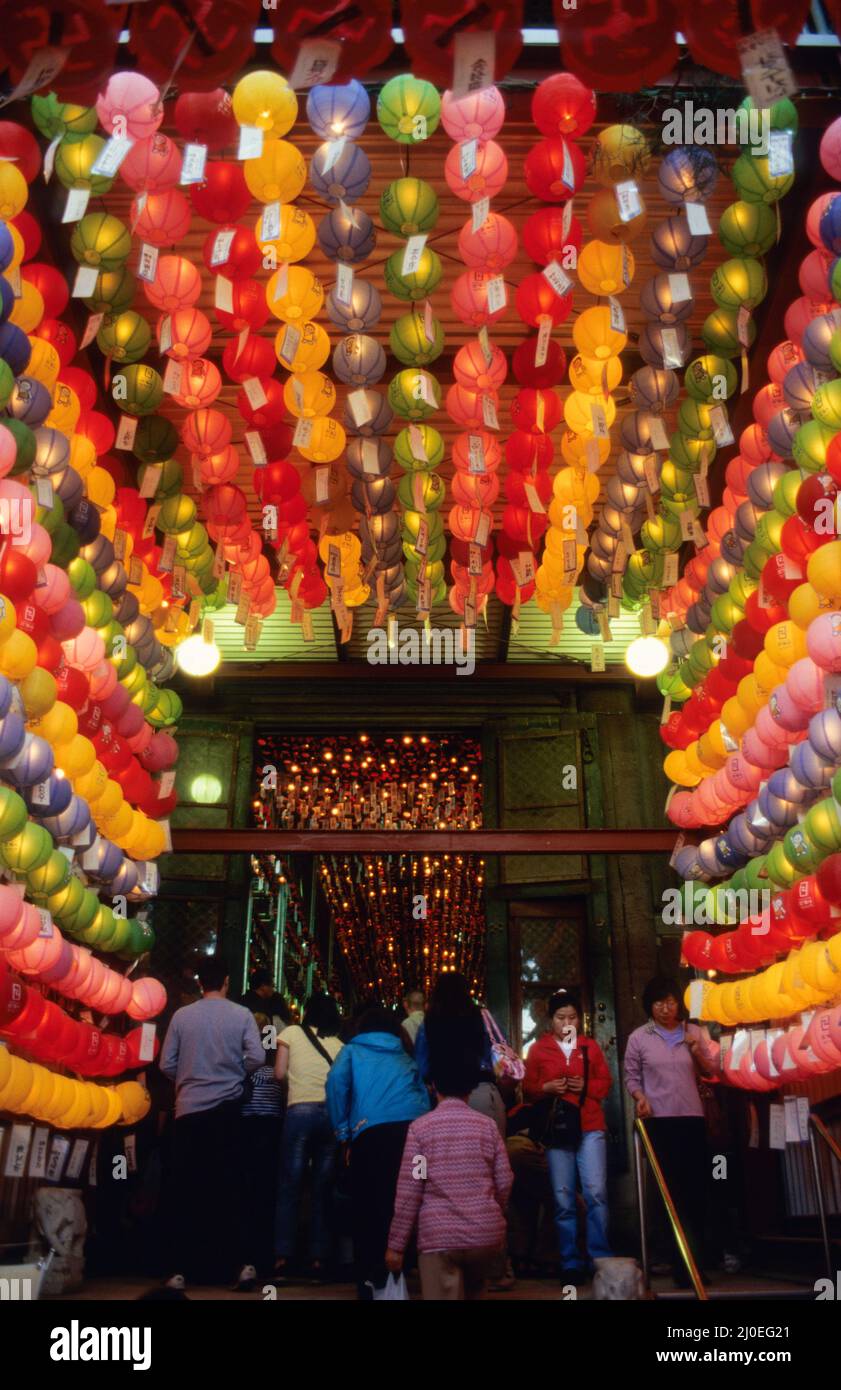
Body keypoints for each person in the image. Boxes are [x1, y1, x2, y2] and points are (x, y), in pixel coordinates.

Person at [159, 953, 264, 1290]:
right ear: (228, 982)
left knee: (186, 1190)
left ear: (199, 982)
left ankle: (179, 1271)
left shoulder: (182, 1016)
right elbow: (259, 1056)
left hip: (188, 1113)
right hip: (227, 1113)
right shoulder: (242, 1014)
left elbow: (166, 1064)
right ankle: (239, 1266)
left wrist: (189, 1078)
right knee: (230, 1188)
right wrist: (233, 1072)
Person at [385, 1040, 514, 1301]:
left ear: (433, 1087)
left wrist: (396, 1246)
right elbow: (504, 1180)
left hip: (440, 1239)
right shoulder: (487, 1126)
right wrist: (491, 1213)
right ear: (470, 1088)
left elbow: (411, 1191)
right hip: (485, 1238)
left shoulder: (421, 1129)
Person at [326, 1004, 430, 1298]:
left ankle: (370, 1278)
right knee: (406, 1201)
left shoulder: (351, 1051)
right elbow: (421, 1094)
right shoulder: (404, 1055)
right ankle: (401, 1267)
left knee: (367, 1205)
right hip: (410, 1132)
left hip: (369, 1133)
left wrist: (343, 1132)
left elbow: (336, 1085)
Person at [623, 975, 717, 1287]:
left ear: (679, 1002)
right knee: (669, 1194)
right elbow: (632, 1077)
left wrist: (697, 1051)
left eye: (671, 1001)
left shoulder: (693, 1032)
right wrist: (640, 1098)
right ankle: (681, 1266)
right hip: (660, 1123)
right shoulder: (639, 1038)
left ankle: (697, 1263)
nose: (666, 1007)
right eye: (659, 1002)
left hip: (692, 1118)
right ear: (649, 1006)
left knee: (697, 1193)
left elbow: (711, 1071)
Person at [523, 989, 613, 1285]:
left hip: (589, 1125)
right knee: (563, 1197)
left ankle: (598, 1258)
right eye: (561, 1017)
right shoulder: (538, 1050)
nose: (567, 1022)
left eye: (572, 1017)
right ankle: (570, 1262)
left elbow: (606, 1084)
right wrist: (546, 1088)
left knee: (595, 1192)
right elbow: (528, 1089)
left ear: (580, 1019)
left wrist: (586, 1084)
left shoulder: (590, 1047)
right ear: (550, 1020)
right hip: (557, 1131)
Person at [273, 993, 343, 1282]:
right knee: (322, 1188)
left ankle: (282, 1258)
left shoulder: (290, 1032)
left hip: (299, 1112)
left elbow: (278, 1073)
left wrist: (297, 1085)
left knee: (290, 1184)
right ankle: (318, 1260)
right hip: (330, 1116)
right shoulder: (340, 1045)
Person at [413, 971, 507, 1137]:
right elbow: (498, 1053)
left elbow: (422, 1068)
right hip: (480, 1092)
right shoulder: (482, 1017)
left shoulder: (428, 1023)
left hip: (442, 1098)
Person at [236, 1012, 285, 1291]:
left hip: (247, 1127)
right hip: (271, 1128)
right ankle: (264, 1257)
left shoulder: (243, 1066)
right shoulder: (273, 1061)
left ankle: (246, 1256)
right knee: (266, 1192)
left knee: (246, 1190)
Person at [241, 968, 292, 1037]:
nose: (273, 989)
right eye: (272, 986)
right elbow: (269, 1042)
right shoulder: (267, 1007)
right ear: (263, 986)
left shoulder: (240, 1002)